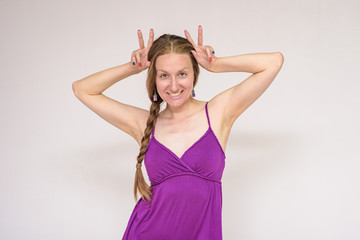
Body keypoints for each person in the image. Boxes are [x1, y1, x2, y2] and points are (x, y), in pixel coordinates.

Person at [72, 25, 284, 239]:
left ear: (194, 74)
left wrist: (217, 64)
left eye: (182, 74)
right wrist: (132, 67)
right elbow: (82, 89)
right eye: (164, 75)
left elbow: (273, 62)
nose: (173, 86)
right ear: (154, 79)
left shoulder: (218, 113)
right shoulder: (144, 123)